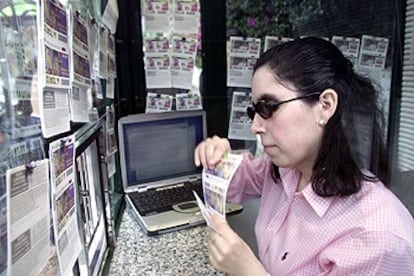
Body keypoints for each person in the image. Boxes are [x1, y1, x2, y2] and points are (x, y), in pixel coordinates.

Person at [194, 37, 414, 275]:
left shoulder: (375, 239)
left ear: (325, 105)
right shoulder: (285, 169)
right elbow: (238, 182)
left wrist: (249, 271)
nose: (255, 127)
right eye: (254, 111)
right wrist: (217, 156)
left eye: (268, 107)